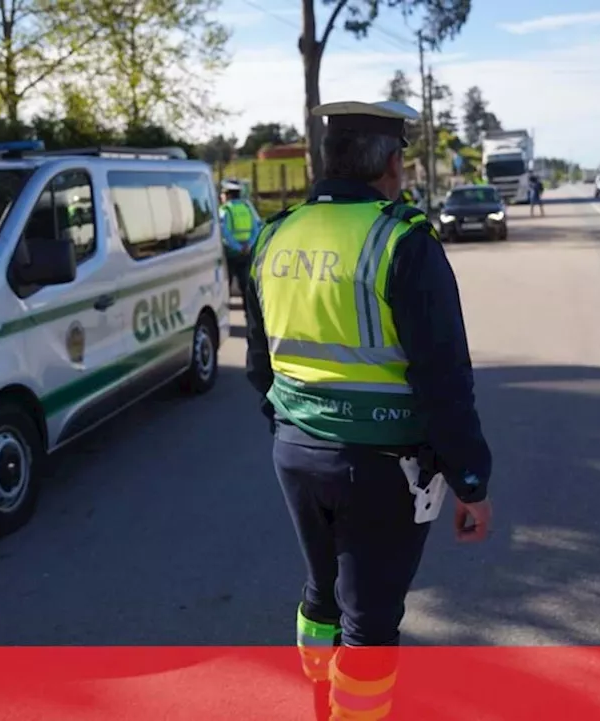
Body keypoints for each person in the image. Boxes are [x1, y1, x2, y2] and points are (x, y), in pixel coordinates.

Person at [244, 100, 495, 720]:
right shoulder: (402, 238)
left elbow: (259, 365)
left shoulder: (274, 235)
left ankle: (321, 700)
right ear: (389, 163)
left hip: (295, 451)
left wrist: (296, 425)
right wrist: (470, 479)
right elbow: (443, 379)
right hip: (382, 466)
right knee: (371, 621)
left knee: (321, 594)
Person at [219, 180, 262, 298]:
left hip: (231, 253)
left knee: (226, 287)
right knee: (246, 287)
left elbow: (225, 233)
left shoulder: (225, 210)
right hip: (247, 252)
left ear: (227, 194)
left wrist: (238, 247)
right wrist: (249, 245)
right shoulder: (247, 208)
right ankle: (249, 315)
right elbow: (256, 229)